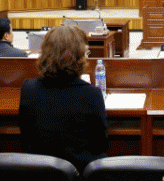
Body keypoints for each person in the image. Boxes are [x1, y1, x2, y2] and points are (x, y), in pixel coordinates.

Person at [19, 25, 107, 173]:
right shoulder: (92, 94)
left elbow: (26, 138)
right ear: (80, 57)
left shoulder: (28, 89)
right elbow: (101, 145)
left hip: (39, 174)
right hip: (81, 176)